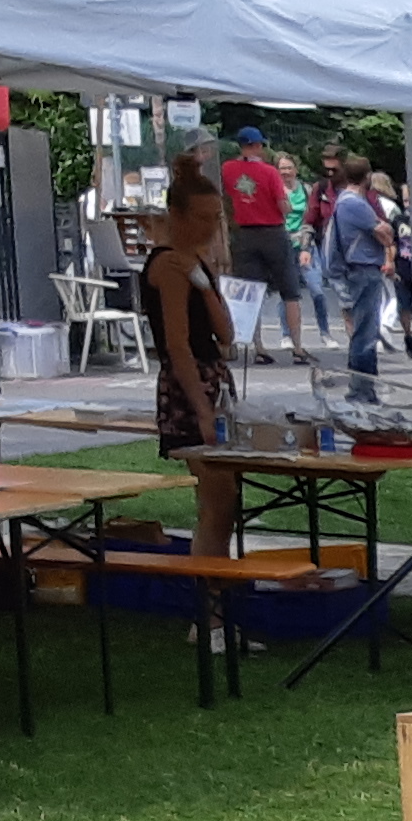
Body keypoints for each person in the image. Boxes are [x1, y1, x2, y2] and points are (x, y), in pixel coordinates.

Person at [135, 166, 239, 564]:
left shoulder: (196, 263)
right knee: (215, 503)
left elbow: (226, 333)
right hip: (188, 385)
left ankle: (216, 600)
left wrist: (205, 282)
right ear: (177, 216)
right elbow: (177, 346)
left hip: (214, 377)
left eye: (216, 218)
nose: (210, 228)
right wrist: (202, 412)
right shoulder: (167, 265)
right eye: (201, 218)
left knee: (224, 501)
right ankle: (210, 609)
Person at [217, 126, 317, 362]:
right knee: (290, 291)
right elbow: (283, 206)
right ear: (256, 146)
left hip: (244, 233)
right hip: (272, 231)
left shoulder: (228, 169)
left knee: (251, 292)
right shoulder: (270, 172)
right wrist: (290, 208)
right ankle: (297, 347)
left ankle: (258, 347)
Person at [316, 158, 395, 405]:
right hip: (363, 270)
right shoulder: (355, 204)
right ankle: (361, 390)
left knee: (364, 330)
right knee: (365, 333)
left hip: (358, 270)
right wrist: (385, 231)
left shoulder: (345, 201)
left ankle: (364, 389)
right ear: (367, 176)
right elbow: (385, 236)